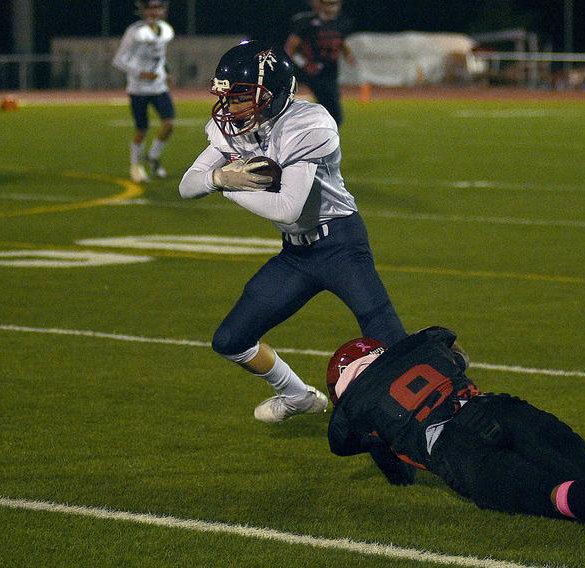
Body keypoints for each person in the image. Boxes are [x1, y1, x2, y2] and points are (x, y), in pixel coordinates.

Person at [178, 41, 406, 424]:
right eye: (226, 96)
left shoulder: (308, 122)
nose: (229, 107)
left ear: (274, 95)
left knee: (391, 341)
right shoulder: (236, 129)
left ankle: (442, 403)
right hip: (296, 256)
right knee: (231, 340)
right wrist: (218, 175)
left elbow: (287, 209)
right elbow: (188, 185)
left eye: (240, 97)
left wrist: (227, 186)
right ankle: (297, 396)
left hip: (340, 244)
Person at [326, 327, 585, 540]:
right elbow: (456, 352)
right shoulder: (421, 344)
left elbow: (345, 442)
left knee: (551, 495)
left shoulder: (356, 408)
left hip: (458, 447)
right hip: (498, 407)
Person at [112, 0, 176, 183]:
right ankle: (135, 165)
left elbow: (161, 57)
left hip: (158, 87)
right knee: (142, 130)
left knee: (169, 124)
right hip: (138, 89)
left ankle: (153, 157)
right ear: (143, 11)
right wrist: (141, 73)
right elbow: (118, 60)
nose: (155, 11)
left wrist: (168, 72)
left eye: (158, 7)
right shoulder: (134, 31)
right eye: (151, 8)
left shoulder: (164, 29)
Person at [285, 0, 356, 125]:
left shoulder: (342, 23)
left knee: (332, 110)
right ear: (320, 4)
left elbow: (340, 42)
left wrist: (348, 55)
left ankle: (320, 132)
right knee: (332, 111)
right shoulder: (307, 23)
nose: (331, 7)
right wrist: (304, 64)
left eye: (334, 3)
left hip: (331, 70)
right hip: (312, 71)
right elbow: (290, 48)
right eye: (328, 3)